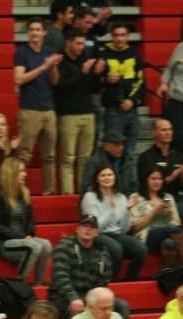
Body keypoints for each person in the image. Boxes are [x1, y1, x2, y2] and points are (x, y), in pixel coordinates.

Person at [48, 214, 128, 319]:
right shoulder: (64, 246)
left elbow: (104, 280)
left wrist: (96, 300)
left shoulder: (102, 252)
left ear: (97, 233)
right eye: (85, 225)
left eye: (92, 227)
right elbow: (60, 276)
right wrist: (73, 297)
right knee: (76, 310)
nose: (88, 229)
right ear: (78, 229)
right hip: (61, 296)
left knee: (122, 306)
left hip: (88, 297)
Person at [14, 18, 62, 196]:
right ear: (28, 33)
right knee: (24, 154)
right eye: (31, 30)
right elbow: (19, 79)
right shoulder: (21, 52)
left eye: (37, 30)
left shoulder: (49, 52)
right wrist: (44, 67)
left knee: (49, 155)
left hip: (48, 109)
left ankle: (49, 192)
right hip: (29, 109)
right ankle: (18, 190)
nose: (34, 33)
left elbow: (55, 82)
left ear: (44, 33)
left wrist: (54, 67)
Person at [0, 157, 53, 284]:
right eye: (21, 171)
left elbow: (30, 219)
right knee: (33, 247)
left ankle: (39, 283)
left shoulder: (24, 193)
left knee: (46, 245)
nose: (25, 174)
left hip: (23, 239)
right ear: (11, 174)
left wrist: (29, 234)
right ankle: (20, 283)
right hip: (3, 242)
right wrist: (21, 236)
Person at [56, 28, 104, 195]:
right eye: (78, 43)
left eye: (83, 43)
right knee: (68, 158)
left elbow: (94, 88)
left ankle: (85, 195)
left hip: (88, 112)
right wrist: (83, 73)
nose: (82, 47)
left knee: (85, 159)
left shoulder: (84, 59)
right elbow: (60, 87)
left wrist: (97, 74)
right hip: (68, 114)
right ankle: (68, 196)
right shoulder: (60, 61)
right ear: (68, 42)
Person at [81, 164, 147, 280]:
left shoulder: (120, 197)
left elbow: (124, 229)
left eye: (110, 175)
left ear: (115, 177)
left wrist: (127, 210)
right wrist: (110, 211)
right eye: (103, 175)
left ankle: (131, 279)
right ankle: (113, 280)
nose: (107, 178)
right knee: (116, 248)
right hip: (97, 234)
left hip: (116, 234)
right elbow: (94, 226)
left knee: (141, 249)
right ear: (97, 179)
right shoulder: (90, 197)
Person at [98, 23, 144, 161]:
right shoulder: (103, 53)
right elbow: (94, 82)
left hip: (132, 111)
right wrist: (106, 80)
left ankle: (128, 182)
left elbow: (141, 82)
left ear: (128, 36)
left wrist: (132, 100)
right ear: (112, 36)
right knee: (112, 153)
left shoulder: (134, 54)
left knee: (129, 154)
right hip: (113, 111)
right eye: (116, 35)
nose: (119, 39)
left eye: (123, 35)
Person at [129, 166, 183, 268]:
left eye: (159, 179)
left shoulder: (168, 197)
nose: (157, 182)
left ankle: (169, 274)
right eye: (153, 178)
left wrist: (169, 214)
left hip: (167, 238)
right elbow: (135, 228)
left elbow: (176, 223)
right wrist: (154, 211)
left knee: (169, 243)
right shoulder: (136, 198)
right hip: (146, 238)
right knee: (172, 229)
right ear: (145, 180)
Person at [137, 119, 183, 218]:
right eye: (164, 130)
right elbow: (144, 185)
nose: (168, 133)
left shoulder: (178, 156)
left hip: (174, 202)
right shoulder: (145, 157)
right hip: (152, 204)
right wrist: (172, 177)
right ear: (154, 133)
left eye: (170, 130)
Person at [81, 130, 136, 195]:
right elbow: (87, 187)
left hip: (124, 201)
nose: (121, 148)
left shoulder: (126, 161)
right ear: (105, 146)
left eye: (122, 144)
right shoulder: (94, 163)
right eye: (117, 145)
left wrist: (132, 197)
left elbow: (133, 185)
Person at [158, 37, 183, 155]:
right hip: (177, 101)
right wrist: (164, 83)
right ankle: (176, 166)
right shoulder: (181, 47)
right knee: (177, 137)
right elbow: (169, 69)